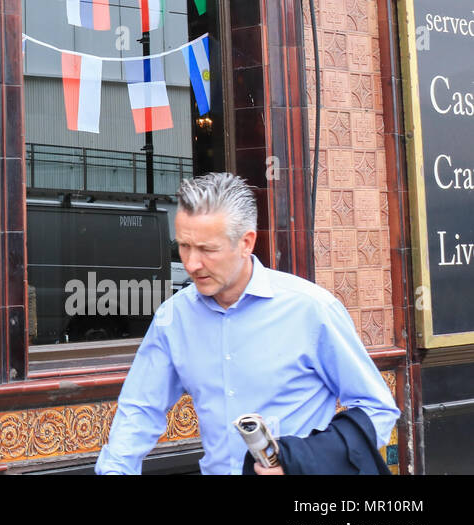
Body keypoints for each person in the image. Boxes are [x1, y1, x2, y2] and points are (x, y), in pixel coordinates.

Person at [95, 172, 399, 475]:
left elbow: (378, 410)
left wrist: (300, 462)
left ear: (246, 242)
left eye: (207, 249)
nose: (190, 263)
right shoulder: (173, 318)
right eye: (184, 246)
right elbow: (140, 409)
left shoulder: (312, 310)